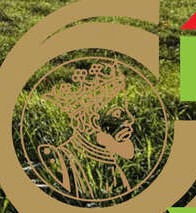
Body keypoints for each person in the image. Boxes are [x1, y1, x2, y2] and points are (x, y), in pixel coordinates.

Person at [36, 60, 137, 200]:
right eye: (117, 113)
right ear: (90, 121)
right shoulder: (59, 160)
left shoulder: (109, 163)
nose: (130, 119)